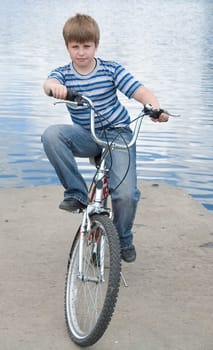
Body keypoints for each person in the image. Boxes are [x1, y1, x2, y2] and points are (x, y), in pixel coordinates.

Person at [42, 13, 169, 263]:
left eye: (86, 46)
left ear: (96, 45)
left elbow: (140, 91)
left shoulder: (111, 69)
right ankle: (76, 193)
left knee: (125, 195)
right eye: (75, 46)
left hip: (117, 134)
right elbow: (48, 83)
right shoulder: (63, 73)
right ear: (67, 47)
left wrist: (154, 106)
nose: (81, 52)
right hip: (86, 135)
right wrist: (54, 88)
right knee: (51, 135)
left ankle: (123, 238)